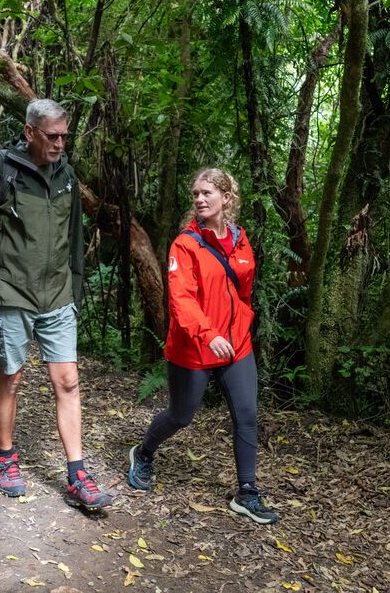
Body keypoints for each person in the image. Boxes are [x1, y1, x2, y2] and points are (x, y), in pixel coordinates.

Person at [0, 98, 111, 510]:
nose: (60, 144)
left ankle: (77, 473)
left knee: (68, 381)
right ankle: (6, 458)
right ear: (30, 132)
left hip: (58, 296)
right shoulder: (0, 171)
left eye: (65, 136)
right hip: (11, 295)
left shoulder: (66, 176)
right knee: (11, 378)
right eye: (52, 136)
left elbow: (74, 240)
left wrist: (75, 291)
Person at [126, 167, 279, 524]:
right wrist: (210, 335)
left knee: (246, 415)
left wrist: (240, 328)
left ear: (227, 197)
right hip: (193, 348)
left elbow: (243, 293)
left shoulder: (241, 241)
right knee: (181, 416)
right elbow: (181, 300)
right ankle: (143, 453)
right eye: (195, 193)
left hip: (235, 345)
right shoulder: (185, 244)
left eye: (207, 193)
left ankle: (247, 492)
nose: (199, 199)